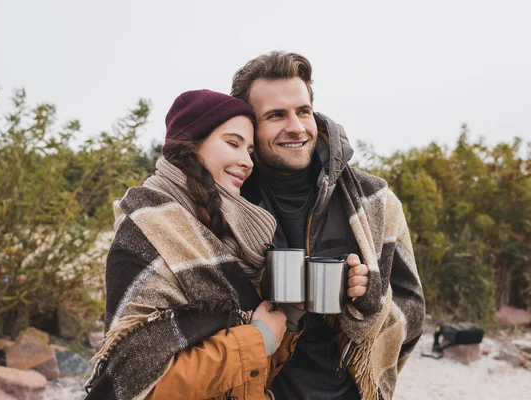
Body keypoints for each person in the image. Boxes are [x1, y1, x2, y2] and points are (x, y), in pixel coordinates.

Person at [84, 90, 372, 400]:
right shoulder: (147, 231)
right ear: (190, 146)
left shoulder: (222, 231)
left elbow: (245, 374)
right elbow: (137, 384)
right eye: (233, 144)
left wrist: (287, 318)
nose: (246, 161)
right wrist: (258, 338)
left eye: (249, 150)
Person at [231, 52, 426, 400]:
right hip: (253, 390)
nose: (296, 126)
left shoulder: (374, 200)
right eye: (276, 115)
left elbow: (412, 306)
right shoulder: (226, 202)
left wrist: (369, 301)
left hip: (349, 393)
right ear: (250, 125)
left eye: (303, 111)